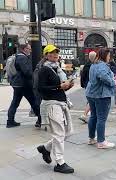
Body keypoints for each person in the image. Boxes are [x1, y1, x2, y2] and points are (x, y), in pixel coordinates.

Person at [37, 44, 75, 174]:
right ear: (46, 55)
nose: (55, 55)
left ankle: (45, 148)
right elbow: (40, 88)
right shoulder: (44, 70)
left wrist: (68, 85)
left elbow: (60, 86)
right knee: (59, 134)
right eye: (52, 53)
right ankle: (60, 162)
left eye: (56, 53)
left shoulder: (57, 69)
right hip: (51, 104)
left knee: (68, 132)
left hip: (61, 103)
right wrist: (60, 86)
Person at [86, 48, 115, 149]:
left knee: (93, 116)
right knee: (101, 118)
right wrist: (112, 82)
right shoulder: (102, 65)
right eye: (108, 55)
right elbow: (102, 76)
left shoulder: (93, 64)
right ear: (104, 56)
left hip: (91, 93)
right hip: (101, 94)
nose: (109, 57)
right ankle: (101, 141)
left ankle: (91, 138)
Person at [6, 43, 41, 128]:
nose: (30, 50)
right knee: (34, 101)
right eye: (29, 49)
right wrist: (33, 77)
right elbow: (27, 72)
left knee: (15, 102)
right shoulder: (23, 58)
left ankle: (10, 121)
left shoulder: (17, 56)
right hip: (24, 85)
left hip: (17, 84)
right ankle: (41, 119)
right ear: (24, 49)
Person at [79, 51, 96, 123]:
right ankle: (85, 114)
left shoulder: (86, 66)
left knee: (90, 99)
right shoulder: (93, 66)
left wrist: (83, 84)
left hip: (87, 85)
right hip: (92, 85)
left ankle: (89, 114)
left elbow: (82, 76)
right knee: (92, 100)